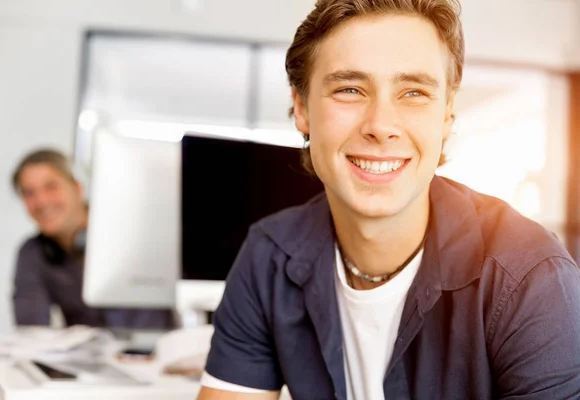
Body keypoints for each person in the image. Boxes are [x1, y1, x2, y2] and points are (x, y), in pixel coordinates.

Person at [197, 0, 580, 399]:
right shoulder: (269, 257)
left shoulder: (530, 279)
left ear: (447, 115)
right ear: (301, 107)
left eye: (413, 92)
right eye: (349, 89)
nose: (381, 125)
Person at [12, 149, 176, 329]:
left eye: (51, 187)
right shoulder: (33, 253)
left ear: (77, 188)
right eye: (29, 193)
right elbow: (31, 331)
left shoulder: (133, 230)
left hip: (157, 348)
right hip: (88, 355)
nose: (41, 201)